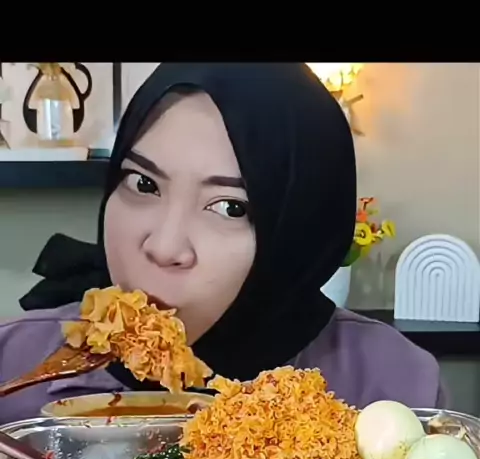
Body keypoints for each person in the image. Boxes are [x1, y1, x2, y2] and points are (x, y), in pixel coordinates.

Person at [0, 62, 446, 424]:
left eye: (230, 207)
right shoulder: (14, 362)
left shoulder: (394, 386)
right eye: (143, 183)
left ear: (294, 232)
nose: (164, 247)